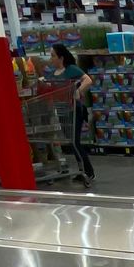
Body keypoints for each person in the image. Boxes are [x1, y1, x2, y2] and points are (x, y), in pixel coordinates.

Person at [47, 45, 94, 188]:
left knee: (75, 141)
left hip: (74, 110)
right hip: (62, 111)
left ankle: (87, 171)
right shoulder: (54, 73)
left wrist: (78, 92)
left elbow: (88, 80)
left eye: (53, 55)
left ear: (61, 57)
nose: (51, 58)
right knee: (71, 141)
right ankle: (83, 170)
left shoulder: (71, 69)